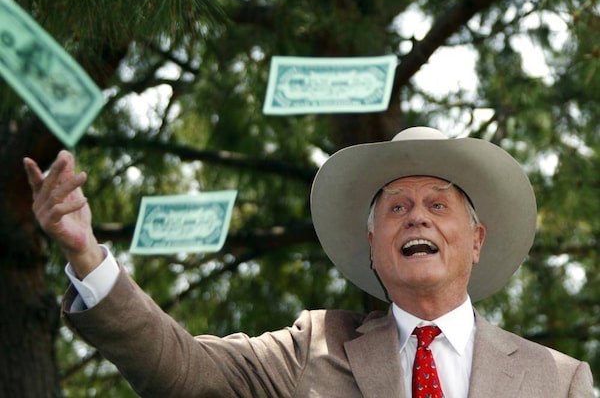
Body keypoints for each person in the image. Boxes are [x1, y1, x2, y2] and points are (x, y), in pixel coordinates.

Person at [24, 127, 594, 397]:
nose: (416, 218)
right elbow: (183, 368)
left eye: (437, 204)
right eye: (397, 207)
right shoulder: (311, 348)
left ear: (476, 240)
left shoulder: (560, 379)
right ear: (372, 247)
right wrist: (87, 254)